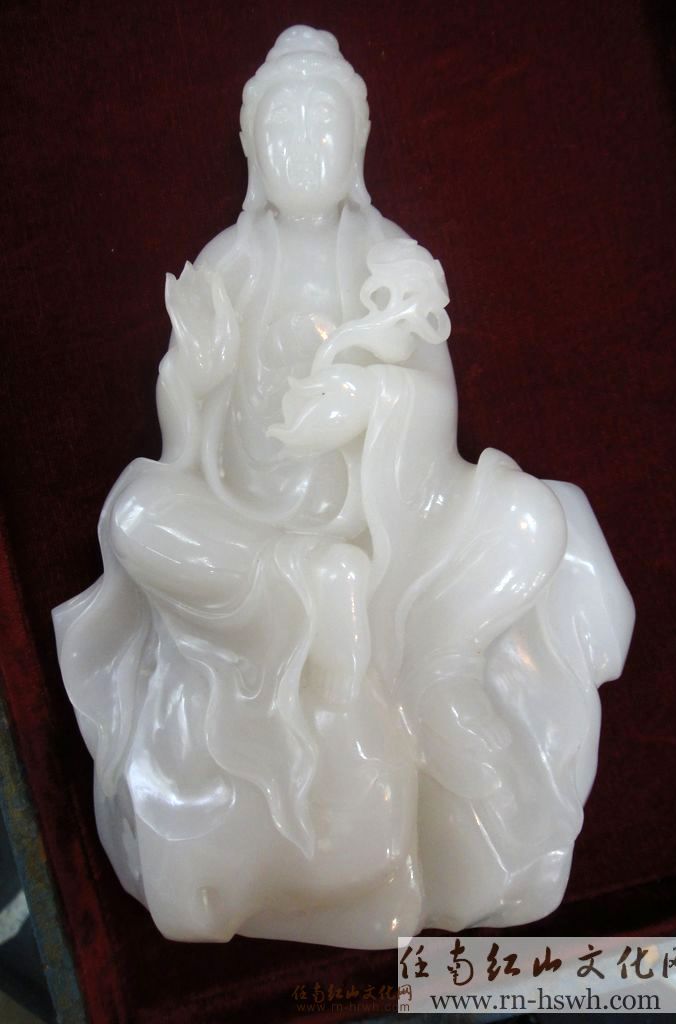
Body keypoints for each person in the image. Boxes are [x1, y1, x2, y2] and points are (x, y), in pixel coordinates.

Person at [54, 26, 634, 946]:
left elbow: (436, 408)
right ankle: (306, 591)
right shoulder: (228, 261)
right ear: (254, 151)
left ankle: (404, 654)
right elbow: (185, 447)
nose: (303, 150)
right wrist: (190, 378)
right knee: (133, 511)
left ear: (355, 145)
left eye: (322, 130)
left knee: (532, 515)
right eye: (282, 133)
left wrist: (370, 401)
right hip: (249, 528)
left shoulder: (391, 259)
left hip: (374, 522)